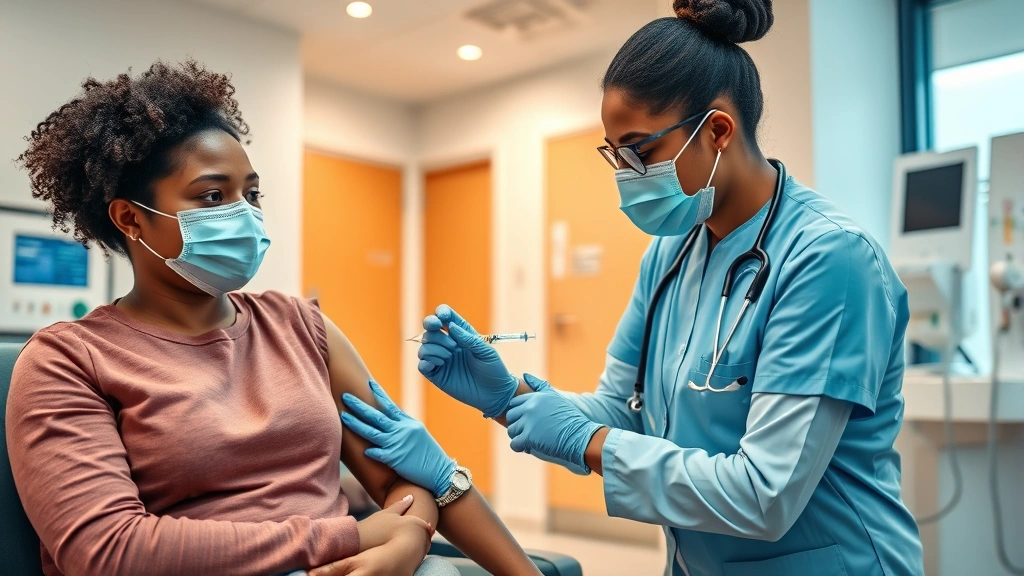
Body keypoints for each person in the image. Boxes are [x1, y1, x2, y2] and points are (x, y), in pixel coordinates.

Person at [345, 1, 925, 574]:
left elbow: (763, 493)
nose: (626, 174)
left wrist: (585, 440)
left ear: (717, 130)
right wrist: (509, 400)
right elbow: (623, 411)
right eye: (615, 154)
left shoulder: (829, 260)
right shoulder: (670, 256)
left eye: (641, 149)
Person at [8, 60, 541, 576]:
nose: (245, 214)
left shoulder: (300, 326)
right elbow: (108, 553)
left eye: (252, 194)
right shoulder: (69, 360)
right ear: (130, 218)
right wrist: (350, 537)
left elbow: (406, 479)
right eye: (213, 196)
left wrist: (410, 535)